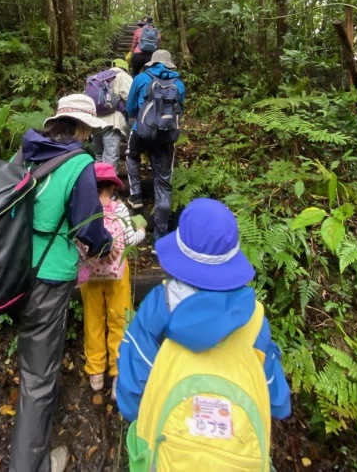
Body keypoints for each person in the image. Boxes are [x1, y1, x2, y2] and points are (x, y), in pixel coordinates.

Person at [117, 198, 291, 471]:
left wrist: (138, 415)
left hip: (168, 451)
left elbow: (133, 382)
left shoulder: (159, 307)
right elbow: (277, 400)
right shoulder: (254, 319)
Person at [9, 94, 115, 472]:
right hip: (50, 277)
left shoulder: (26, 153)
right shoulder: (80, 163)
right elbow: (90, 229)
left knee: (31, 361)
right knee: (39, 379)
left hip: (13, 270)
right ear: (83, 127)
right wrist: (108, 243)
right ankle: (30, 464)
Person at [79, 162, 146, 402]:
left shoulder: (83, 210)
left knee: (93, 320)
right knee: (119, 318)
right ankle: (118, 371)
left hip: (90, 276)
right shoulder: (120, 209)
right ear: (112, 186)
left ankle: (95, 371)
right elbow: (130, 240)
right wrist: (142, 232)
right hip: (117, 275)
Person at [125, 49, 185, 247]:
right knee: (163, 183)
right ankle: (159, 236)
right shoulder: (179, 84)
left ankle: (136, 196)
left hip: (141, 131)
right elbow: (180, 110)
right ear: (169, 64)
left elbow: (131, 107)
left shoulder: (141, 78)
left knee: (132, 156)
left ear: (153, 62)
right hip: (166, 137)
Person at [91, 59, 133, 172]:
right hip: (112, 122)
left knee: (99, 156)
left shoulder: (99, 77)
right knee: (110, 158)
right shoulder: (124, 76)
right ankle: (108, 186)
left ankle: (96, 185)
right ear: (125, 68)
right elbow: (130, 98)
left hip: (95, 121)